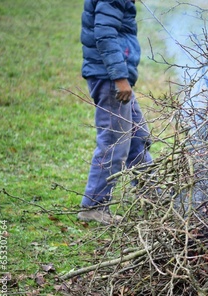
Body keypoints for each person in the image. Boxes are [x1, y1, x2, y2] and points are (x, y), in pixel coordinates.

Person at [77, 0, 152, 225]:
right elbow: (104, 33)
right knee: (114, 141)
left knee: (138, 137)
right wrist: (120, 78)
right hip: (110, 78)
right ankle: (93, 206)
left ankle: (152, 196)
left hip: (113, 76)